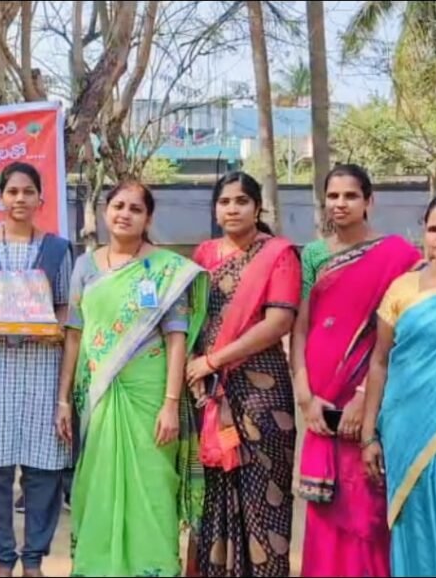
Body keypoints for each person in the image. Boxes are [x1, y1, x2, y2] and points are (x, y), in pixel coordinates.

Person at [57, 181, 207, 577]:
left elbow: (177, 338)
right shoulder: (85, 266)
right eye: (118, 206)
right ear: (105, 211)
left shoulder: (166, 269)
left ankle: (152, 568)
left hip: (151, 395)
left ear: (148, 218)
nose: (125, 214)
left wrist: (171, 404)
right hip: (97, 393)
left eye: (135, 209)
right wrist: (63, 400)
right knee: (97, 483)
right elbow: (74, 333)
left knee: (153, 484)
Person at [291, 164, 421, 577]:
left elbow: (402, 335)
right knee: (324, 515)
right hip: (320, 403)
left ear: (369, 201)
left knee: (366, 510)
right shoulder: (313, 255)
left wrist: (365, 398)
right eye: (333, 196)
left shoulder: (400, 256)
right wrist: (306, 398)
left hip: (371, 401)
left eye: (350, 196)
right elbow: (300, 330)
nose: (340, 204)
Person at [188, 172, 301, 577]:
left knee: (261, 493)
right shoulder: (203, 255)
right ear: (215, 209)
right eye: (225, 202)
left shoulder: (279, 254)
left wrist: (213, 361)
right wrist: (197, 364)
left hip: (260, 392)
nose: (232, 209)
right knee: (214, 491)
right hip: (210, 392)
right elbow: (192, 318)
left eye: (241, 201)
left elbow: (278, 323)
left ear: (257, 208)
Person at [362, 194, 436, 577]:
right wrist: (368, 435)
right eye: (434, 229)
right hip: (406, 432)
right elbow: (379, 361)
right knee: (417, 531)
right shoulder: (403, 289)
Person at [0, 162, 73, 578]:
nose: (20, 199)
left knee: (44, 470)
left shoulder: (57, 250)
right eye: (12, 191)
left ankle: (34, 561)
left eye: (28, 192)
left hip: (43, 370)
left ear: (40, 199)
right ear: (0, 197)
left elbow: (65, 306)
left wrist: (51, 326)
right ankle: (2, 560)